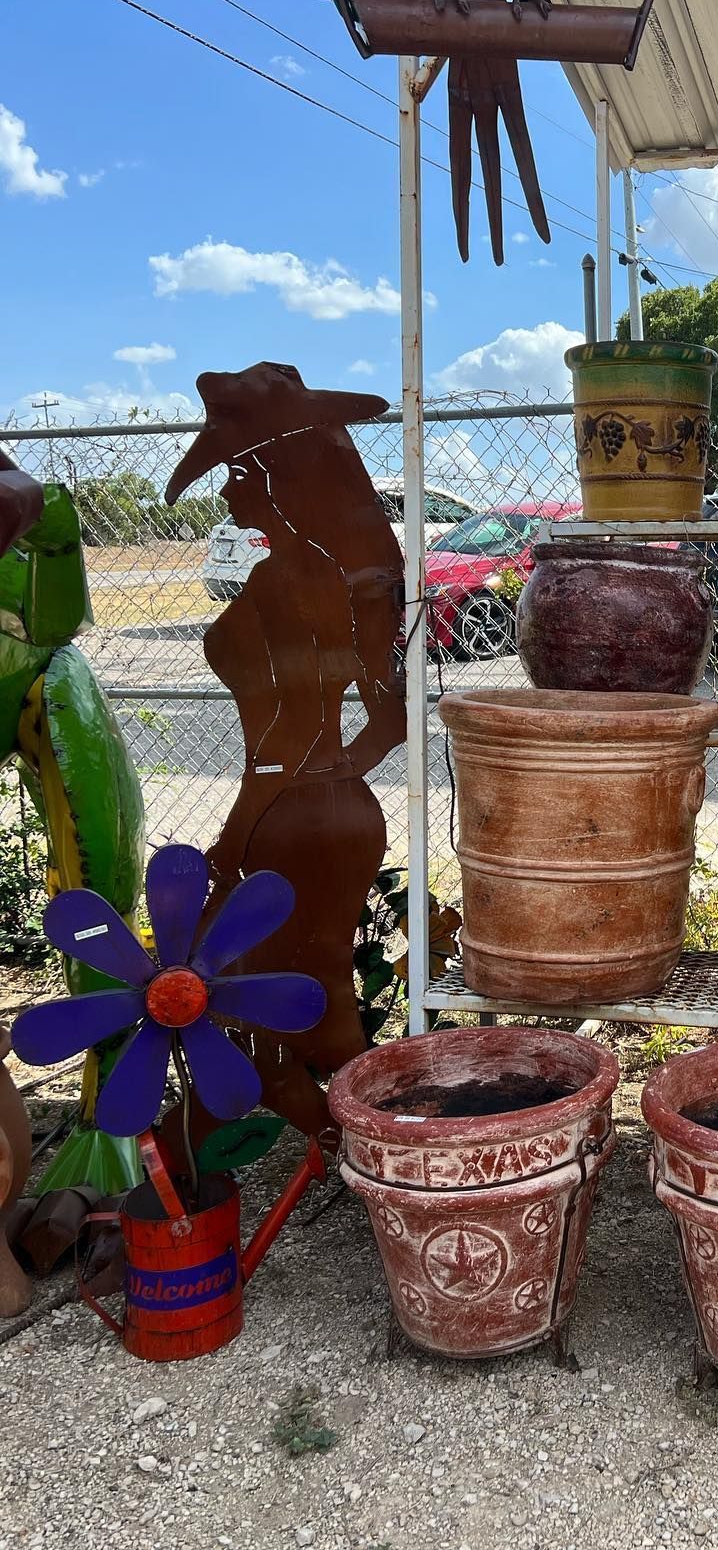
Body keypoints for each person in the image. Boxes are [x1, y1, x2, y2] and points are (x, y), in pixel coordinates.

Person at [166, 363, 404, 1133]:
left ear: (275, 471)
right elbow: (385, 718)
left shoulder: (294, 579)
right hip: (321, 806)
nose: (228, 489)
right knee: (314, 975)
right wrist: (330, 779)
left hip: (291, 814)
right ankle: (335, 1118)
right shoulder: (323, 570)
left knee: (242, 965)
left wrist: (263, 814)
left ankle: (323, 1119)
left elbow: (298, 738)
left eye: (238, 470)